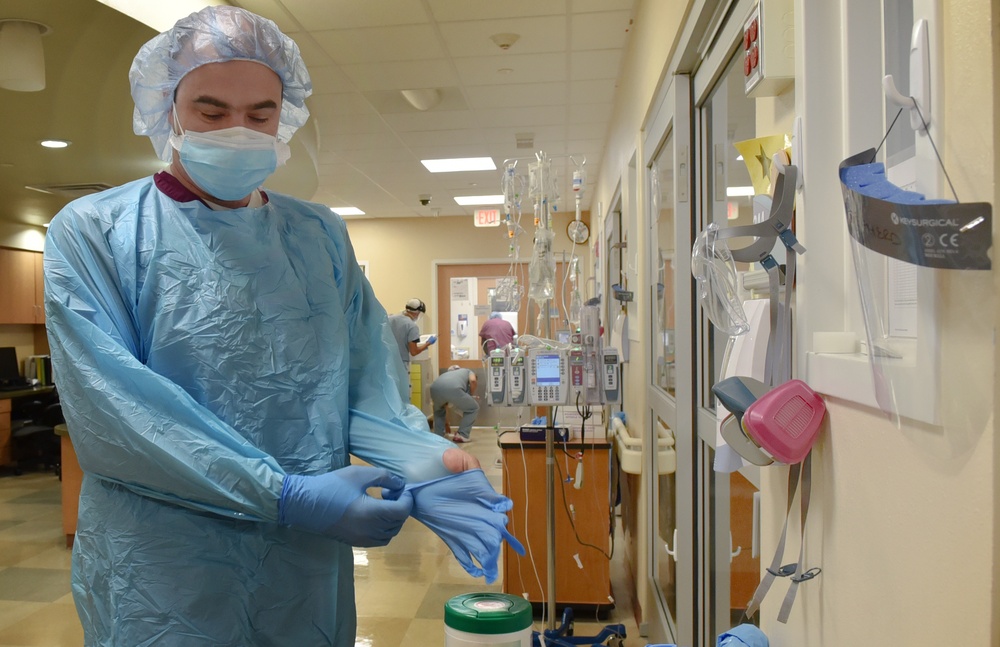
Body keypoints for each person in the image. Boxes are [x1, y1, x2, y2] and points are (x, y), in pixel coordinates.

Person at [42, 7, 521, 646]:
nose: (239, 131)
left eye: (261, 114)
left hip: (305, 566)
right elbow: (119, 416)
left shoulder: (318, 236)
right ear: (167, 109)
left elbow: (362, 381)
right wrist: (284, 493)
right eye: (212, 113)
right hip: (164, 567)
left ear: (284, 114)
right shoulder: (96, 231)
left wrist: (426, 460)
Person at [430, 366, 479, 443]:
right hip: (454, 388)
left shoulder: (448, 374)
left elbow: (445, 405)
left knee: (439, 411)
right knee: (473, 408)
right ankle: (462, 434)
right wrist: (471, 395)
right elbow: (473, 381)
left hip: (434, 388)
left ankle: (439, 436)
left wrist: (446, 424)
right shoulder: (468, 370)